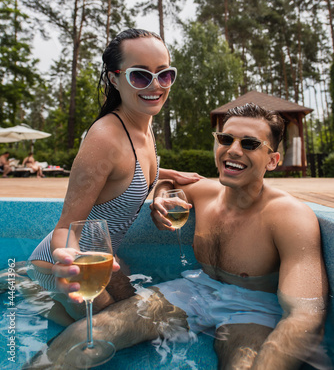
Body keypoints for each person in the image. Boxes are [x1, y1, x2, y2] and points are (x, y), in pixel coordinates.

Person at [27, 103, 329, 370]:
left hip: (253, 307)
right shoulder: (204, 192)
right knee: (88, 334)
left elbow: (305, 315)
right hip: (196, 289)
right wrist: (160, 199)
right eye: (226, 139)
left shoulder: (290, 217)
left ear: (272, 160)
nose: (233, 150)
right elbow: (168, 180)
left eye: (249, 143)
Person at [27, 28, 200, 321]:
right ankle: (28, 286)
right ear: (114, 78)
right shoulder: (105, 138)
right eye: (140, 75)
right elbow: (65, 228)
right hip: (69, 268)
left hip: (106, 258)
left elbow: (127, 174)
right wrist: (71, 263)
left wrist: (167, 175)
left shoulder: (144, 121)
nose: (155, 85)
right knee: (110, 328)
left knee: (137, 313)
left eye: (164, 74)